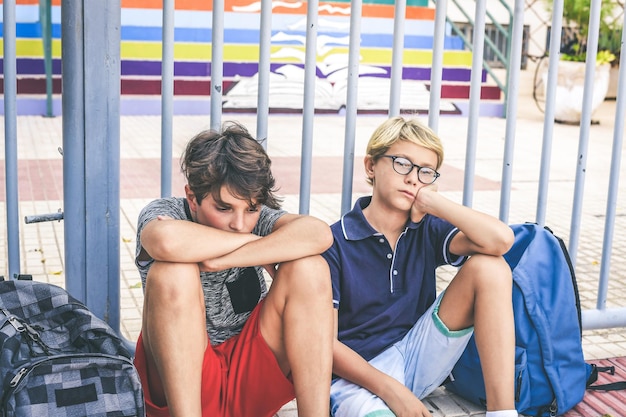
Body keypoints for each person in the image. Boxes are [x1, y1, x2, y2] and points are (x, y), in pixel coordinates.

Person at [133, 121, 335, 417]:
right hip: (185, 384)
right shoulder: (167, 213)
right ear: (192, 197)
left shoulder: (259, 218)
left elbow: (319, 234)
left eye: (251, 209)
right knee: (172, 271)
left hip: (249, 374)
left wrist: (227, 256)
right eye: (223, 208)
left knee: (310, 267)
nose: (240, 224)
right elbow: (164, 240)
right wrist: (254, 243)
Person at [322, 116, 518, 417]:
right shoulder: (334, 242)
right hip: (358, 377)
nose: (413, 178)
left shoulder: (426, 228)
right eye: (402, 163)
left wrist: (433, 204)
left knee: (491, 267)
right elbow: (322, 343)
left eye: (425, 172)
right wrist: (391, 389)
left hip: (417, 355)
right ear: (371, 166)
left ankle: (502, 413)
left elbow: (501, 241)